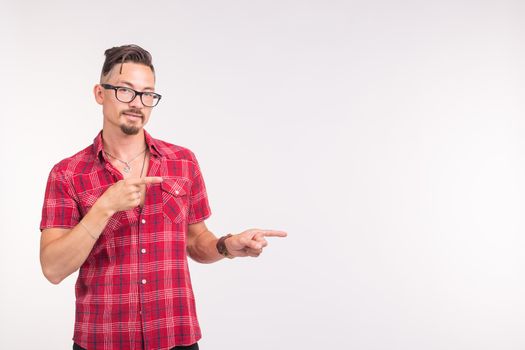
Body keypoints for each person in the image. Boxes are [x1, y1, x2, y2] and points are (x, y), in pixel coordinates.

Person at [39, 44, 287, 350]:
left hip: (176, 337)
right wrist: (105, 207)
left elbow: (196, 243)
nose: (137, 103)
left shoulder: (182, 162)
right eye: (125, 91)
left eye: (147, 94)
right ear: (100, 94)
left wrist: (227, 245)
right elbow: (52, 268)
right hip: (103, 340)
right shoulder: (67, 173)